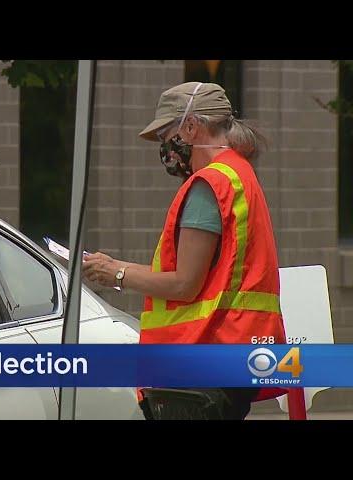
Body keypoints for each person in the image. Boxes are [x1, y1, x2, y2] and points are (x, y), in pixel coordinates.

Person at [82, 82, 286, 420]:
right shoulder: (238, 174)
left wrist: (117, 275)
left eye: (166, 135)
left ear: (190, 127)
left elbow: (184, 285)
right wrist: (112, 264)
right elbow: (203, 278)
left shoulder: (209, 186)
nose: (165, 148)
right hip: (231, 356)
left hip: (201, 361)